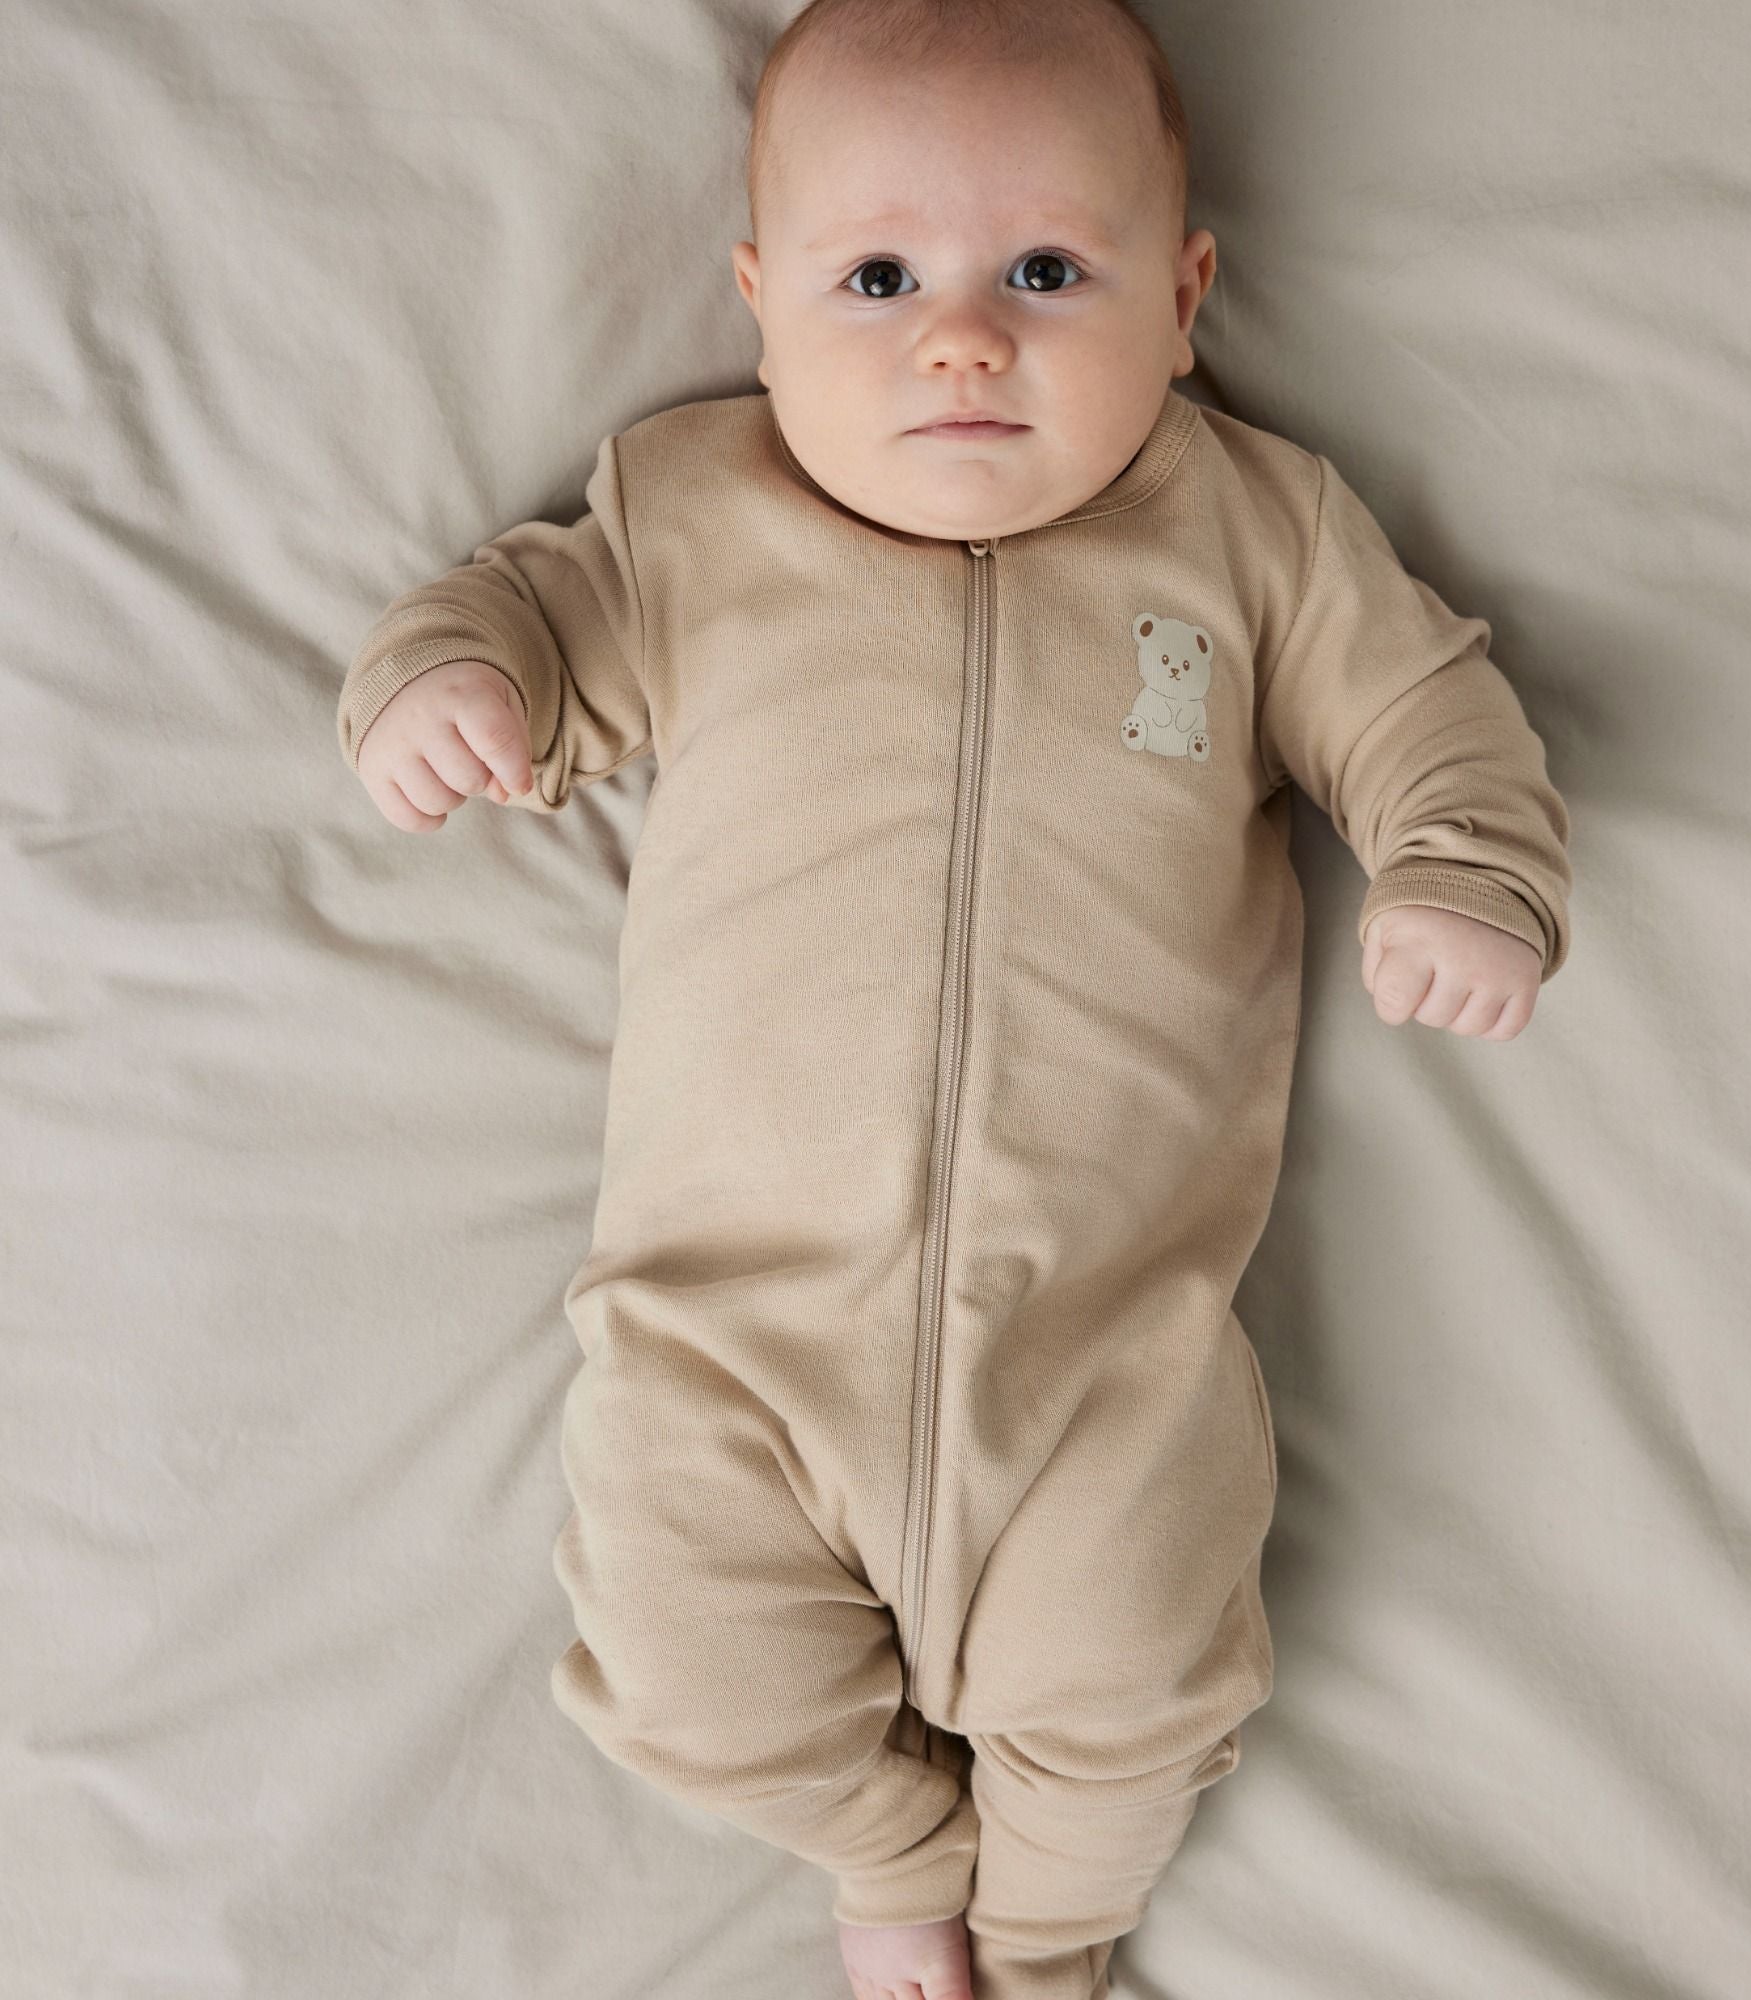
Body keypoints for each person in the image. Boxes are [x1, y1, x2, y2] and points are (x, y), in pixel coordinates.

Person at [333, 2, 1574, 1994]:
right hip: (729, 1331)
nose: (963, 340)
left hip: (1108, 1350)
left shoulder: (1254, 537)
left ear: (1186, 300)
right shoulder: (693, 516)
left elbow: (1425, 708)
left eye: (1048, 272)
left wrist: (1464, 866)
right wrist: (446, 683)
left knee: (1145, 1676)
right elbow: (528, 612)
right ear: (761, 305)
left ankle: (1051, 1928)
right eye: (880, 279)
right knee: (677, 1659)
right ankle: (886, 1852)